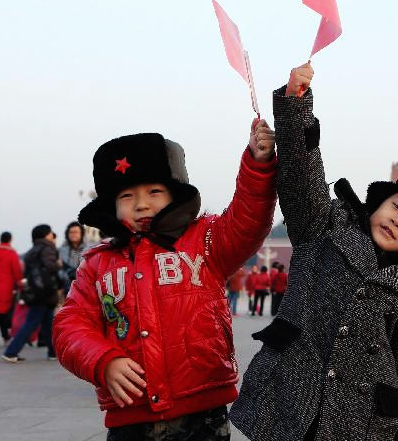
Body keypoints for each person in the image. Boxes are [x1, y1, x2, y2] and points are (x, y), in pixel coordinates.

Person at [229, 63, 398, 440]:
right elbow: (301, 176)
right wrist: (297, 107)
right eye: (397, 206)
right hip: (289, 397)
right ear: (382, 199)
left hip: (359, 421)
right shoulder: (325, 226)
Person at [53, 121, 278, 438]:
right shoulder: (97, 263)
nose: (142, 204)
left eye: (154, 192)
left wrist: (258, 163)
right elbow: (70, 324)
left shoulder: (206, 241)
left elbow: (247, 220)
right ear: (111, 205)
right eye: (127, 196)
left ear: (175, 195)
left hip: (203, 409)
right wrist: (103, 361)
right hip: (130, 413)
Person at [3, 225, 60, 361]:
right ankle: (11, 352)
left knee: (47, 323)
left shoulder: (32, 250)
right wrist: (59, 264)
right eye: (50, 232)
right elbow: (50, 266)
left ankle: (53, 353)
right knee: (32, 322)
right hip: (46, 291)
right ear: (46, 235)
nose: (52, 235)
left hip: (36, 291)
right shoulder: (47, 248)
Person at [58, 221, 87, 295]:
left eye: (76, 232)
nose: (73, 234)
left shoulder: (89, 249)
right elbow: (59, 269)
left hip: (84, 287)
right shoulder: (61, 250)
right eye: (71, 232)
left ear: (82, 233)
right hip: (66, 288)